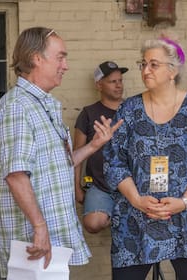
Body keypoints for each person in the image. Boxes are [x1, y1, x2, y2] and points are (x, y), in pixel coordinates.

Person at [0, 27, 122, 279]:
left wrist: (94, 145)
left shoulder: (42, 105)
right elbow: (16, 175)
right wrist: (39, 227)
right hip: (31, 242)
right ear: (37, 58)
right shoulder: (18, 107)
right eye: (60, 57)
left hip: (49, 239)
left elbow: (57, 164)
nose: (66, 65)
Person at [103, 36, 187, 280]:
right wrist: (136, 199)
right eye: (143, 63)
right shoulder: (128, 109)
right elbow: (114, 161)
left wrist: (184, 201)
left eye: (154, 64)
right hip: (137, 215)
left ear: (172, 70)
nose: (145, 70)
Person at [74, 61, 128, 233]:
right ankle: (118, 217)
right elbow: (76, 155)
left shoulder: (133, 110)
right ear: (99, 85)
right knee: (93, 223)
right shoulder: (88, 113)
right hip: (99, 185)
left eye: (120, 81)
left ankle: (121, 217)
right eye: (113, 82)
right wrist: (76, 188)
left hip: (131, 184)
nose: (118, 85)